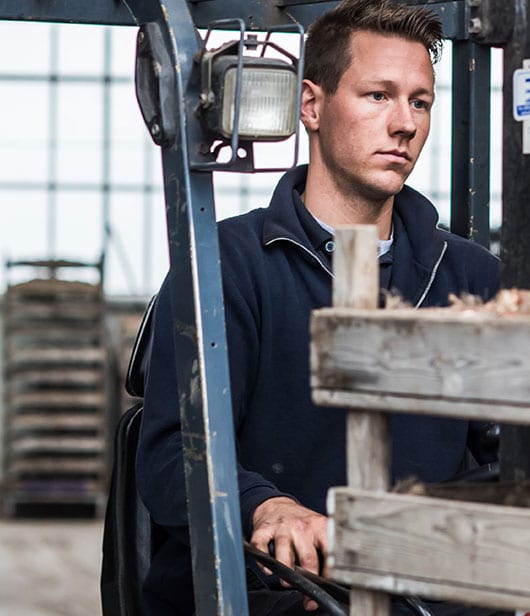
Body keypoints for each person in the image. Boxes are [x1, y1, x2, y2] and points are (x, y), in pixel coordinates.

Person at [136, 1, 502, 614]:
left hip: (423, 582)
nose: (403, 123)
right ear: (311, 106)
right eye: (377, 96)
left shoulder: (470, 276)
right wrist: (267, 506)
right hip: (279, 587)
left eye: (419, 101)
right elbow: (172, 453)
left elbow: (509, 457)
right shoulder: (228, 263)